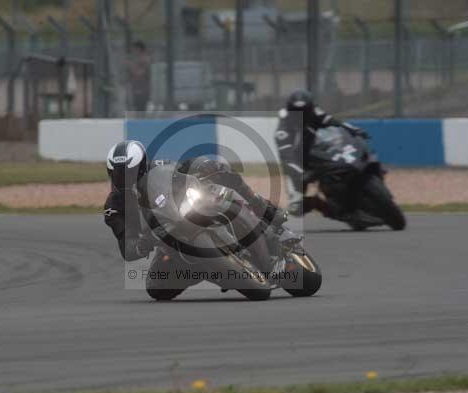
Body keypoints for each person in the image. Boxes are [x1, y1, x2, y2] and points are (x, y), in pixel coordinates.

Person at [103, 140, 287, 263]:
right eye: (119, 174)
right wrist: (142, 245)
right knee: (156, 288)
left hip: (188, 209)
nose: (125, 179)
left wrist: (203, 163)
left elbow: (186, 165)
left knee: (222, 172)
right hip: (164, 239)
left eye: (129, 173)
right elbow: (127, 248)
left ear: (142, 166)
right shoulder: (114, 207)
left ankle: (262, 207)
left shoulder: (159, 166)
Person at [274, 89, 369, 217]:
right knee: (296, 207)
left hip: (320, 153)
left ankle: (362, 183)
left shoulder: (315, 113)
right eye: (297, 112)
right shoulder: (283, 130)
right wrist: (298, 172)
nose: (302, 114)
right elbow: (287, 157)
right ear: (290, 111)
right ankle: (319, 204)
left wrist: (353, 130)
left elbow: (333, 122)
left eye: (305, 111)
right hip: (299, 166)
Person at [126, 40, 152, 113]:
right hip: (136, 87)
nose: (133, 51)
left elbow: (140, 73)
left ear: (139, 49)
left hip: (142, 87)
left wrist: (130, 65)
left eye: (134, 48)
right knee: (137, 107)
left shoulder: (145, 59)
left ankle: (142, 122)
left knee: (141, 108)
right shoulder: (136, 59)